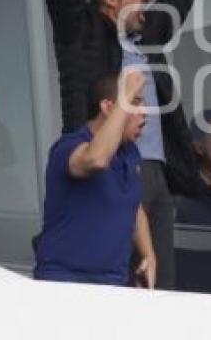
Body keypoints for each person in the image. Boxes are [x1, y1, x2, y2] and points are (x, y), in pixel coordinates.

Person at [45, 0, 211, 289]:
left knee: (160, 284)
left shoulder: (147, 39)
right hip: (109, 165)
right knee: (116, 279)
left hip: (154, 171)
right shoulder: (81, 34)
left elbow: (174, 1)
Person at [34, 70, 156, 288]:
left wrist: (149, 254)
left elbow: (132, 206)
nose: (144, 113)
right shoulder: (68, 146)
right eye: (135, 103)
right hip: (63, 281)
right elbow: (96, 158)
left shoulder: (130, 153)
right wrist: (125, 96)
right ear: (108, 108)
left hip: (113, 282)